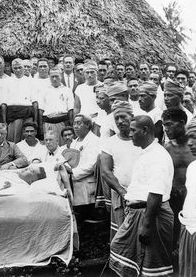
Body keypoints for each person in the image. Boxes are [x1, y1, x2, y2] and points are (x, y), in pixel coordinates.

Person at [110, 115, 174, 277]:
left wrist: (146, 225)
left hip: (152, 215)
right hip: (137, 213)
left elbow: (156, 193)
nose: (130, 134)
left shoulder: (157, 155)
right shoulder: (146, 152)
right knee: (122, 253)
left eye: (133, 130)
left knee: (154, 268)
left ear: (145, 130)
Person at [100, 101, 141, 240]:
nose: (119, 121)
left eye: (123, 117)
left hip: (141, 195)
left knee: (141, 232)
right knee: (123, 234)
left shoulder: (142, 140)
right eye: (116, 118)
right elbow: (106, 171)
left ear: (132, 116)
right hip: (120, 194)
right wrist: (123, 192)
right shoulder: (109, 143)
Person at [162, 109, 196, 257]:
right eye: (164, 125)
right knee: (174, 235)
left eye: (169, 124)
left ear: (182, 123)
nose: (166, 129)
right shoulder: (166, 149)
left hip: (192, 197)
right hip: (174, 198)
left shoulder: (193, 146)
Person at [65, 114, 99, 210]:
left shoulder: (95, 141)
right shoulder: (73, 142)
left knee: (88, 216)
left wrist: (72, 171)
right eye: (74, 123)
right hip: (74, 186)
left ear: (87, 124)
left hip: (87, 186)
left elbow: (93, 164)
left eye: (78, 123)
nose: (75, 126)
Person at [178, 117, 196, 276]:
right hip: (188, 231)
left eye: (195, 138)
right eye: (189, 137)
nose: (190, 143)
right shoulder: (192, 167)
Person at [6, 58, 37, 143]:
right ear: (12, 69)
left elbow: (35, 102)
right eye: (15, 68)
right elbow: (4, 103)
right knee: (14, 140)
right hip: (13, 114)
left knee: (28, 138)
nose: (18, 70)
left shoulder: (31, 81)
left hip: (27, 114)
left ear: (24, 68)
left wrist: (35, 120)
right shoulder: (8, 81)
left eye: (20, 67)